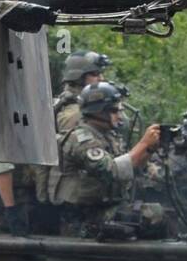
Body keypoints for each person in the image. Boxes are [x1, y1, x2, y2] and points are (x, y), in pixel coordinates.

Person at [49, 81, 164, 238]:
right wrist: (143, 143)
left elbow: (132, 168)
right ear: (99, 112)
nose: (120, 115)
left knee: (157, 213)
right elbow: (112, 170)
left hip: (105, 209)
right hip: (83, 218)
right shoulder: (82, 139)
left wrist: (149, 149)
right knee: (151, 214)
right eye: (115, 110)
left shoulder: (108, 136)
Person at [54, 51, 109, 134]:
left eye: (101, 73)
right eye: (95, 74)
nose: (101, 78)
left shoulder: (85, 105)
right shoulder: (74, 114)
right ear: (78, 77)